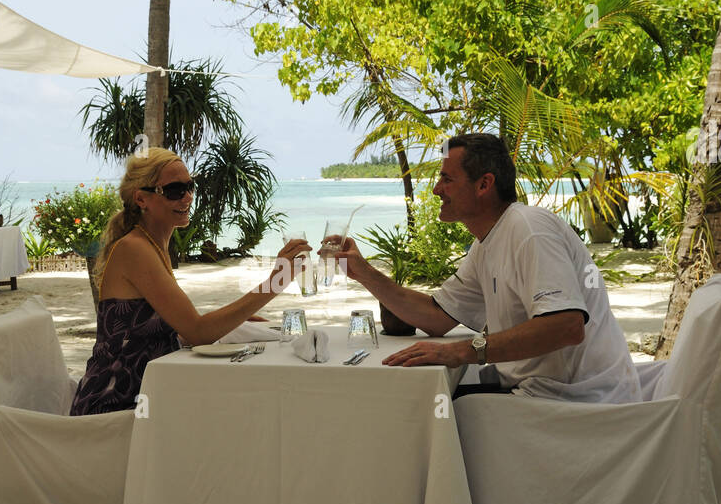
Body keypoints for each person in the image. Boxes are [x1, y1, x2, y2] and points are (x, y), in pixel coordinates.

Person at [323, 133, 640, 404]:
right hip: (538, 391)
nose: (436, 190)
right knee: (416, 406)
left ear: (484, 184)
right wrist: (362, 272)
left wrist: (465, 351)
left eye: (447, 179)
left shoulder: (529, 229)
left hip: (577, 401)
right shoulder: (489, 242)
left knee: (417, 412)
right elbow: (436, 317)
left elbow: (566, 326)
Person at [71, 147, 311, 416]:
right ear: (142, 199)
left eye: (190, 186)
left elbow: (163, 329)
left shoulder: (153, 245)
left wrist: (233, 323)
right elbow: (198, 331)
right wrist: (275, 283)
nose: (187, 197)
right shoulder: (134, 249)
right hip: (115, 405)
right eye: (174, 190)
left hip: (150, 392)